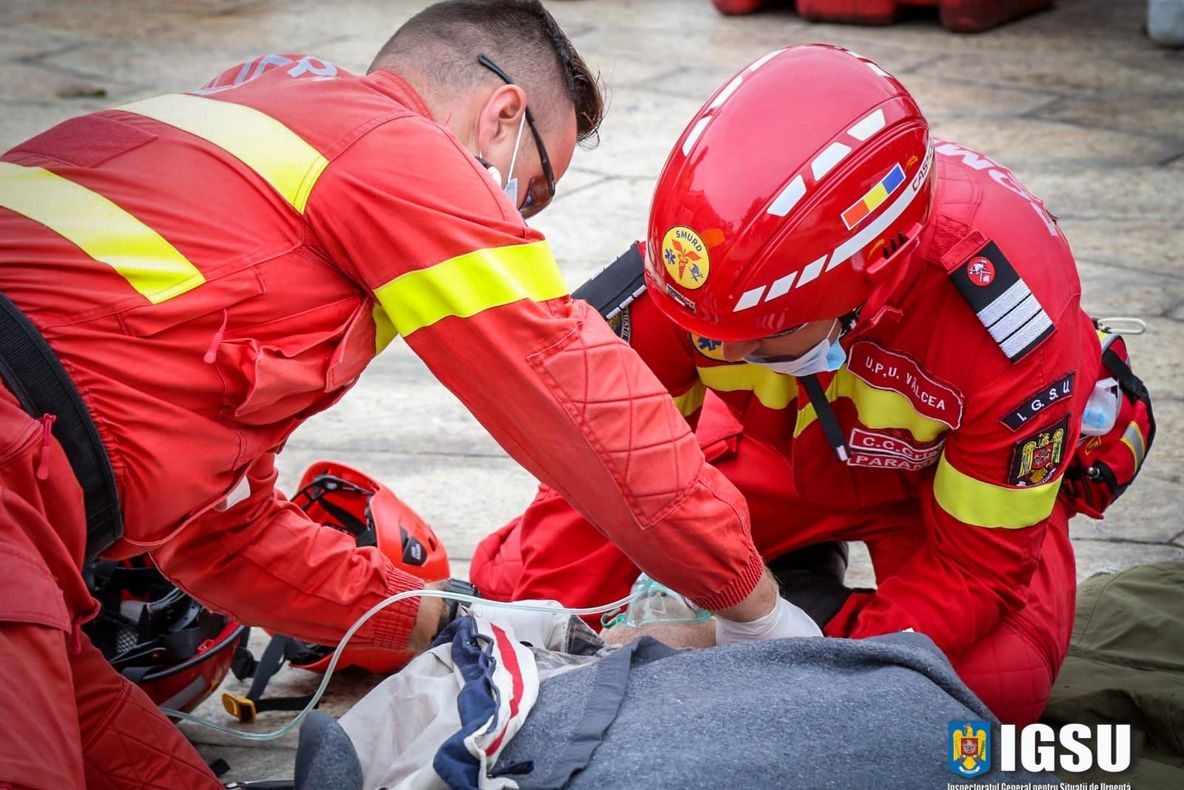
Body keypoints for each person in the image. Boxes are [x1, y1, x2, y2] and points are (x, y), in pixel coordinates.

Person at [0, 2, 789, 786]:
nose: (513, 217)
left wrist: (452, 619)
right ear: (502, 115)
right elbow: (562, 382)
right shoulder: (383, 142)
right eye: (533, 191)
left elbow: (225, 537)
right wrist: (749, 602)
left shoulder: (241, 146)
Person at [472, 44, 1142, 725]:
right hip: (778, 456)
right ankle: (788, 582)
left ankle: (799, 603)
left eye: (762, 334)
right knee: (519, 594)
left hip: (935, 506)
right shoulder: (705, 276)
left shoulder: (1009, 328)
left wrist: (793, 653)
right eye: (708, 329)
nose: (724, 348)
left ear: (869, 289)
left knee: (989, 692)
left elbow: (975, 572)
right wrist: (552, 646)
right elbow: (603, 465)